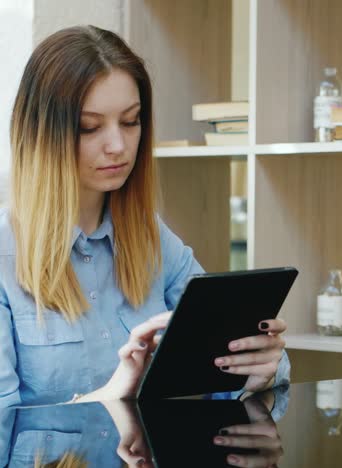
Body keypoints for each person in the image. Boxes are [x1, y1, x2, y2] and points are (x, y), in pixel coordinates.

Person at [0, 25, 290, 408]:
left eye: (131, 121)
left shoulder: (152, 239)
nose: (118, 146)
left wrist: (258, 368)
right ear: (41, 135)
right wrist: (111, 397)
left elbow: (224, 370)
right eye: (89, 127)